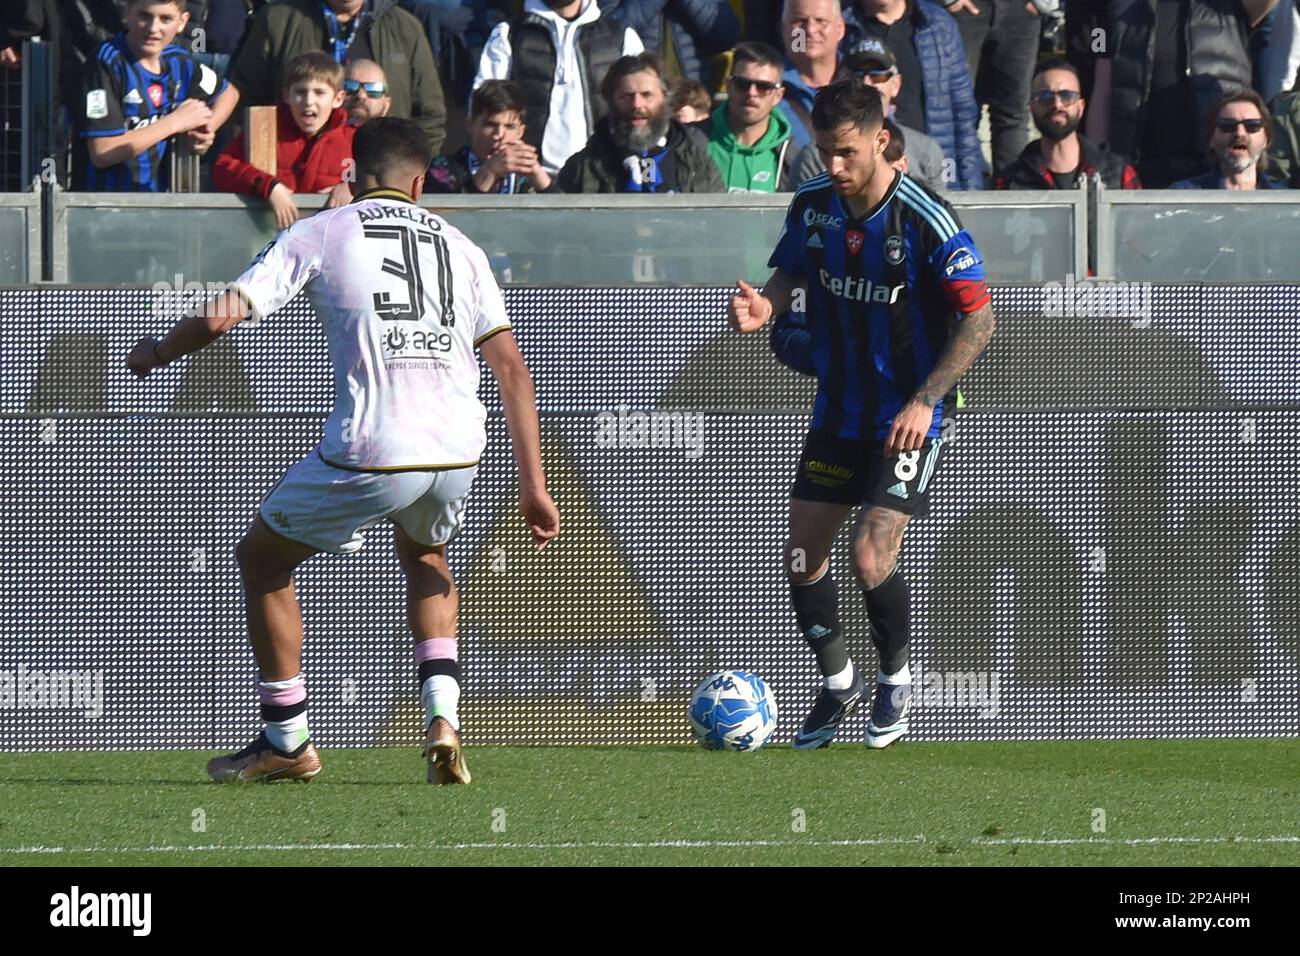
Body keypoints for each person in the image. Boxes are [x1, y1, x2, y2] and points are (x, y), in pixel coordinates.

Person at [125, 116, 561, 785]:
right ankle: (443, 718)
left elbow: (223, 313)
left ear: (352, 173)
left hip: (375, 445)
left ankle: (287, 739)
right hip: (456, 450)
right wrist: (534, 485)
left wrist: (155, 352)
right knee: (426, 554)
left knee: (262, 558)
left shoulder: (322, 230)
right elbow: (514, 371)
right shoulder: (463, 246)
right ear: (420, 181)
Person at [727, 79, 994, 750]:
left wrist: (926, 400)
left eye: (847, 153)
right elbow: (790, 272)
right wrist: (766, 306)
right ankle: (840, 680)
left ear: (881, 140)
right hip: (839, 411)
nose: (835, 168)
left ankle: (895, 684)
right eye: (825, 153)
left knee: (871, 553)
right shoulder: (814, 203)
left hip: (910, 414)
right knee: (800, 557)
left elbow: (981, 319)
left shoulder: (927, 220)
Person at [208, 0, 448, 154]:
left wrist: (403, 171)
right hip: (291, 182)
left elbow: (430, 117)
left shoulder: (406, 28)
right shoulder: (276, 19)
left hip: (380, 177)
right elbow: (245, 100)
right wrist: (266, 172)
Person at [474, 0, 644, 176]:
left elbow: (647, 114)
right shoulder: (508, 34)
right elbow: (482, 111)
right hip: (528, 183)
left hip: (604, 180)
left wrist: (642, 173)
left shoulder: (622, 37)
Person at [73, 0, 227, 191]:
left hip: (157, 202)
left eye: (166, 19)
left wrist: (206, 129)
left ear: (182, 22)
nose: (154, 28)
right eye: (144, 16)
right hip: (103, 206)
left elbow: (228, 93)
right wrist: (175, 122)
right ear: (127, 14)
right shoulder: (106, 63)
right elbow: (103, 152)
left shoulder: (179, 62)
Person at [843, 0, 982, 189]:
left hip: (933, 173)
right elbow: (799, 52)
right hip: (860, 174)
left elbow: (963, 114)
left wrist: (971, 191)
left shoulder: (939, 25)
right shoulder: (840, 23)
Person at [212, 52, 356, 227]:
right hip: (271, 237)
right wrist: (268, 186)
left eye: (319, 93)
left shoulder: (354, 140)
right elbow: (222, 168)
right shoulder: (265, 130)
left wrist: (352, 186)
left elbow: (382, 178)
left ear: (338, 99)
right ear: (287, 95)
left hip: (330, 241)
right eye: (300, 92)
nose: (309, 101)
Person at [792, 37, 948, 190]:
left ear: (896, 84)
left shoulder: (926, 152)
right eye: (856, 76)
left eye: (878, 76)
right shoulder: (813, 157)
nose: (866, 83)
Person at [557, 52, 725, 191]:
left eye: (647, 95)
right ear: (611, 99)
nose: (637, 105)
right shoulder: (582, 168)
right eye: (627, 96)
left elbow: (719, 223)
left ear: (665, 98)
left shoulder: (698, 164)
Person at [994, 57, 1141, 189]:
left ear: (1081, 107)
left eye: (1067, 96)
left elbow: (1136, 218)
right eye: (1045, 96)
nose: (1057, 104)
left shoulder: (1119, 175)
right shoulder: (1011, 181)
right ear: (1031, 107)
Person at [427, 79, 553, 191]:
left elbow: (565, 215)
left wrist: (537, 173)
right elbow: (446, 214)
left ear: (521, 132)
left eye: (509, 127)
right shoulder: (445, 167)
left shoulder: (525, 177)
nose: (499, 135)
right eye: (490, 125)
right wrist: (489, 172)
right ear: (470, 125)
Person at [706, 40, 797, 191]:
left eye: (763, 86)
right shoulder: (692, 142)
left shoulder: (792, 157)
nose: (751, 93)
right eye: (742, 84)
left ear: (778, 96)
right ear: (728, 87)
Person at [1172, 88, 1285, 188]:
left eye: (1252, 125)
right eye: (1227, 125)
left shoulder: (1288, 203)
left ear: (1266, 138)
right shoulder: (1181, 197)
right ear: (1211, 138)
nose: (1240, 133)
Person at [777, 0, 846, 150]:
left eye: (821, 21)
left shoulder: (863, 84)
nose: (810, 30)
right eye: (799, 21)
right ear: (784, 29)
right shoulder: (765, 90)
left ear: (840, 28)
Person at [344, 58, 393, 127]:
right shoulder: (324, 137)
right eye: (350, 86)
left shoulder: (398, 138)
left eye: (373, 89)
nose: (361, 95)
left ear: (386, 105)